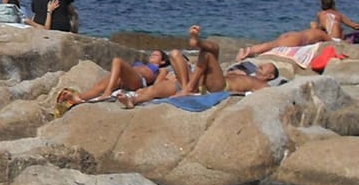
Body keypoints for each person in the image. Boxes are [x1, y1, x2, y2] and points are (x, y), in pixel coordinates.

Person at [116, 26, 278, 108]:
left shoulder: (260, 84)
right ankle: (133, 101)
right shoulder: (247, 72)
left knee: (209, 53)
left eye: (264, 69)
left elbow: (270, 97)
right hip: (199, 82)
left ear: (270, 76)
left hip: (218, 86)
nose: (259, 68)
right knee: (174, 55)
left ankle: (197, 44)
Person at [57, 49, 170, 105]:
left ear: (163, 61)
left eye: (156, 55)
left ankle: (107, 92)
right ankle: (78, 98)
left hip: (140, 81)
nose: (152, 56)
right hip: (127, 78)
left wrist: (144, 91)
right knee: (99, 86)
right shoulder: (144, 65)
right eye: (151, 54)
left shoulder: (161, 70)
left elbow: (157, 86)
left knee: (117, 61)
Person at [237, 26, 331, 60]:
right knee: (271, 46)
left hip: (293, 35)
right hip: (298, 39)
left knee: (271, 44)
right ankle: (247, 53)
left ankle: (248, 51)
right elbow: (331, 41)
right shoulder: (321, 33)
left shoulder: (312, 30)